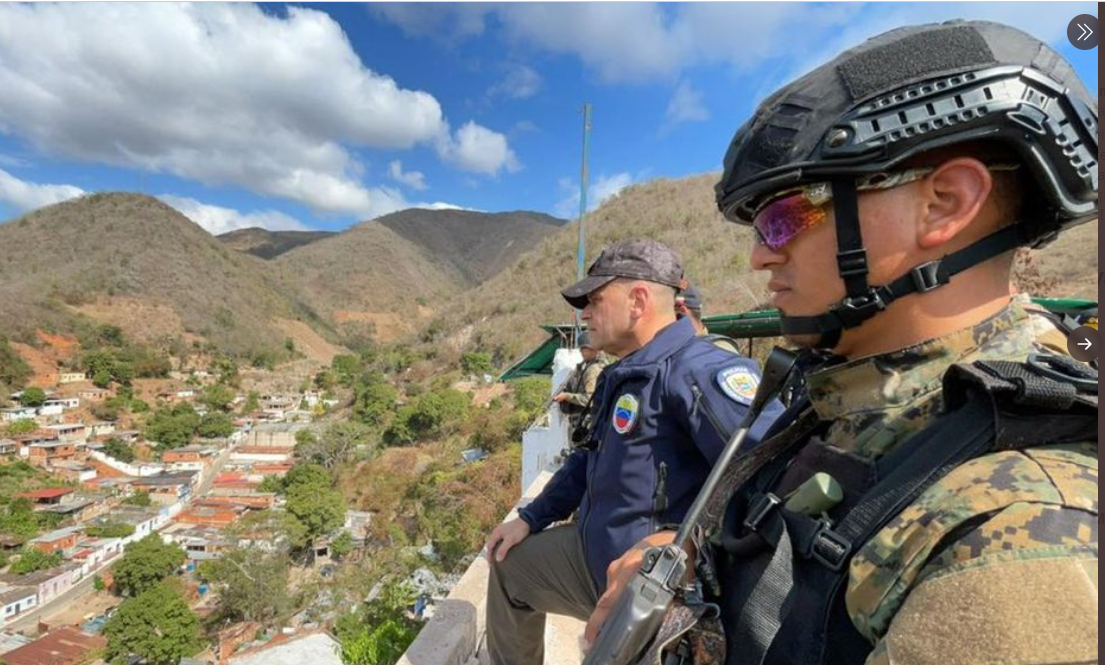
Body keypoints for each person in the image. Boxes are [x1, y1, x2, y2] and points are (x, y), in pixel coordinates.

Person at [586, 20, 1098, 665]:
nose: (759, 259)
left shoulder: (1017, 535)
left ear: (945, 204)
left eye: (785, 216)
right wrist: (685, 555)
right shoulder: (853, 393)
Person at [484, 239, 785, 665]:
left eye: (594, 300)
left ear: (638, 300)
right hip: (595, 558)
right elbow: (587, 459)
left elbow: (774, 475)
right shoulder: (625, 373)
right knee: (508, 566)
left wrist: (683, 546)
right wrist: (531, 519)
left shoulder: (700, 370)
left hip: (650, 586)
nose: (584, 313)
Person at [552, 331, 609, 433]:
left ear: (594, 349)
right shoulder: (597, 365)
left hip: (586, 425)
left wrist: (566, 396)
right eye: (581, 349)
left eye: (585, 349)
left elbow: (589, 399)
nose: (582, 352)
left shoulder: (593, 369)